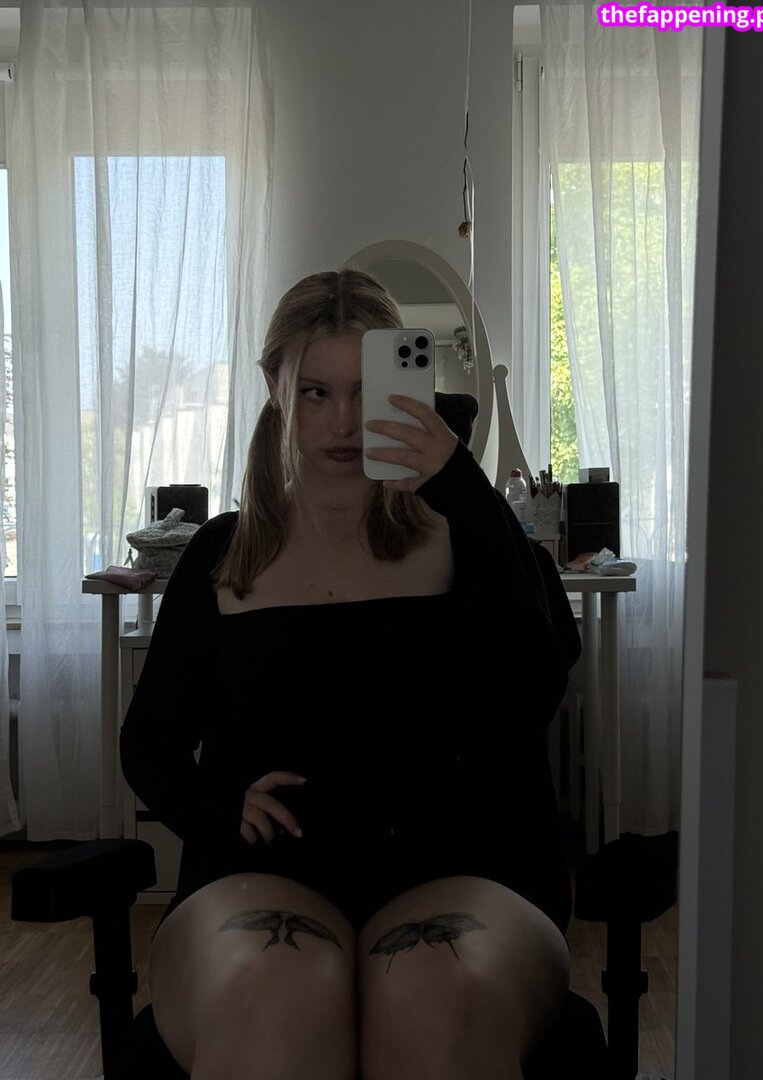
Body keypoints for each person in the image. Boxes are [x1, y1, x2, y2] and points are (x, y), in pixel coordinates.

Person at [119, 268, 579, 1080]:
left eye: (366, 391)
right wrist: (216, 808)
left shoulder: (465, 535)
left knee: (438, 995)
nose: (343, 421)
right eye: (315, 393)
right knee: (271, 993)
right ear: (274, 387)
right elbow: (149, 744)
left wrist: (461, 485)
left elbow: (537, 683)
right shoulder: (224, 557)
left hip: (460, 866)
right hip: (262, 873)